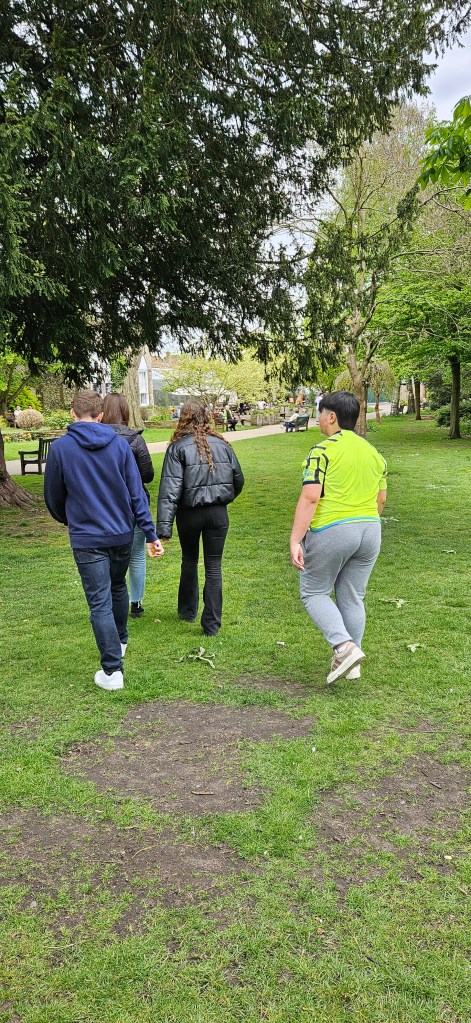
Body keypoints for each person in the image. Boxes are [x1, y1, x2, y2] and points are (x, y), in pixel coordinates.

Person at [44, 389, 163, 691]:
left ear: (73, 413)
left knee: (102, 599)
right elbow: (137, 494)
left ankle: (112, 669)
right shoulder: (71, 448)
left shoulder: (67, 448)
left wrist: (150, 533)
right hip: (114, 532)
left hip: (92, 536)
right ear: (99, 415)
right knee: (115, 587)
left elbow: (53, 497)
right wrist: (150, 533)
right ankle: (118, 645)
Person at [289, 391, 387, 684]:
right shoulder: (374, 453)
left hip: (333, 528)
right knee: (353, 595)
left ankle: (344, 649)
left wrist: (295, 539)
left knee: (313, 591)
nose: (318, 418)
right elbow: (381, 499)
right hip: (370, 529)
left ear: (331, 416)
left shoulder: (321, 451)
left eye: (320, 413)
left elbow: (310, 497)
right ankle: (351, 663)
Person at [156, 399, 244, 636]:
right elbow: (238, 480)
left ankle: (188, 611)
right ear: (206, 417)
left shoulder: (178, 448)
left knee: (190, 560)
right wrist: (222, 498)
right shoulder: (221, 445)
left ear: (183, 417)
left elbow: (169, 490)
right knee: (213, 566)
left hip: (190, 515)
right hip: (217, 515)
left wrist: (164, 528)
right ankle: (211, 623)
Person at [101, 392, 154, 619]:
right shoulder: (134, 440)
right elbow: (147, 474)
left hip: (105, 505)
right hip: (134, 504)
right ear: (125, 411)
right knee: (137, 555)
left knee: (107, 555)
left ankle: (112, 598)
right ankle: (136, 601)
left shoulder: (96, 440)